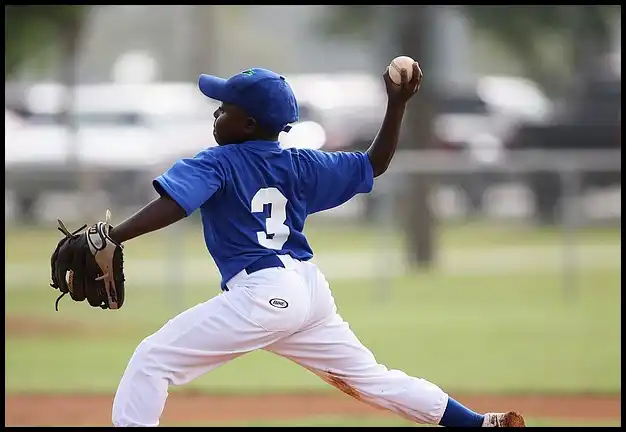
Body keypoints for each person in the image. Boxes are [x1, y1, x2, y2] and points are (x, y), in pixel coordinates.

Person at [109, 64, 525, 427]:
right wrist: (396, 104)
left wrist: (113, 236)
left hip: (263, 294)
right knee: (371, 379)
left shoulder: (219, 161)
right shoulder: (302, 163)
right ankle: (478, 424)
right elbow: (373, 163)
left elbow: (174, 204)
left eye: (224, 107)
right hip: (308, 291)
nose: (216, 113)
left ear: (249, 124)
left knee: (153, 359)